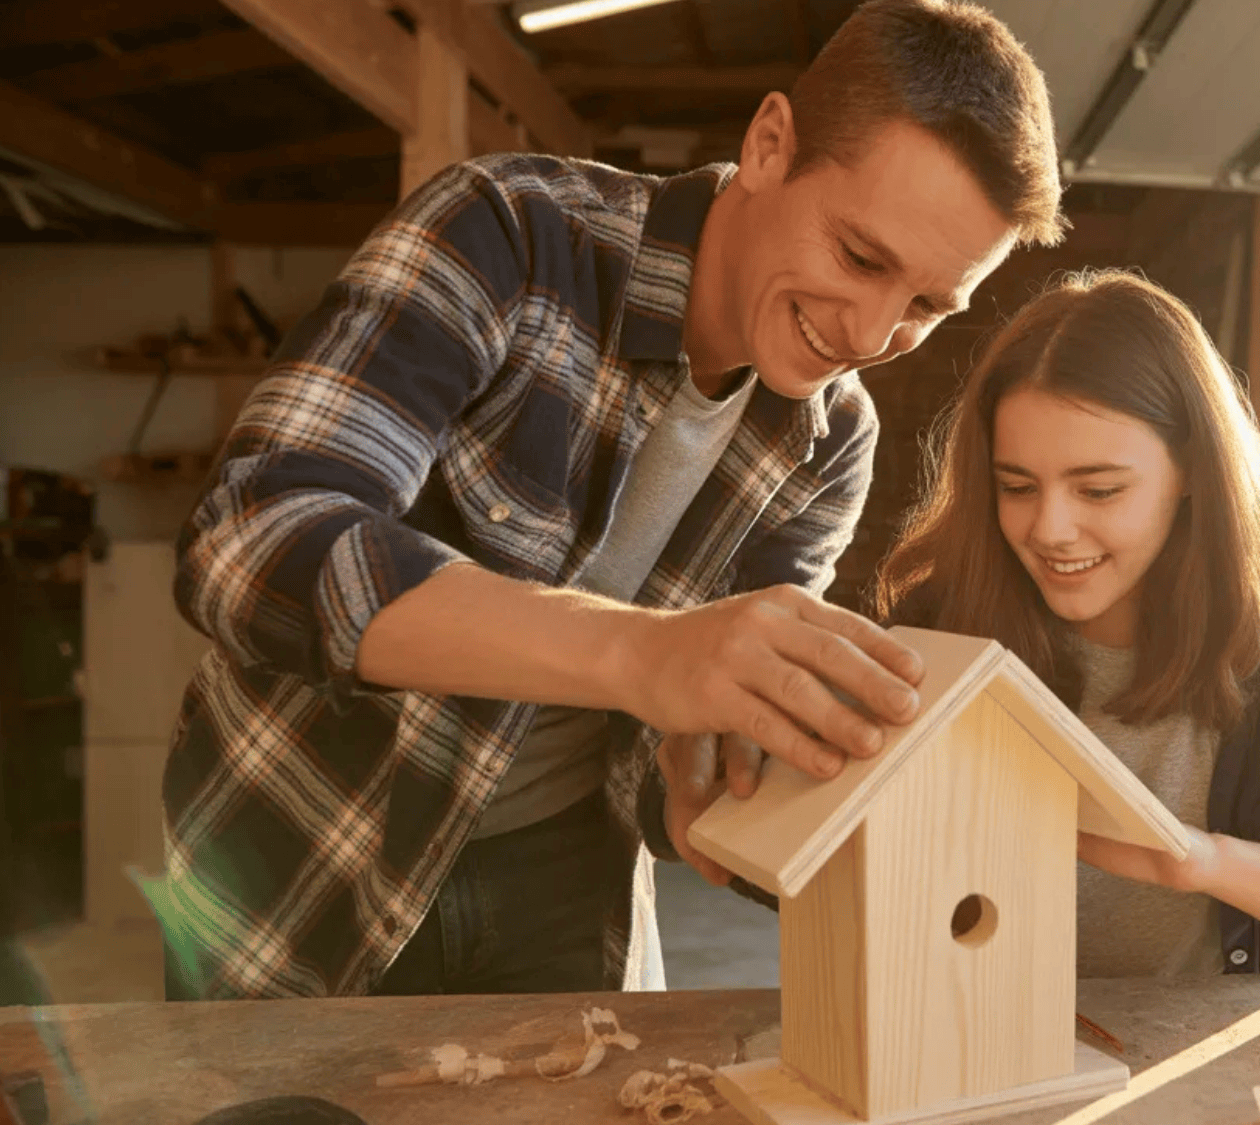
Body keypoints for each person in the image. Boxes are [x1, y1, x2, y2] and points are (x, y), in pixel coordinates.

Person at [162, 0, 1064, 1000]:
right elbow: (248, 542)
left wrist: (711, 788)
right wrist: (637, 653)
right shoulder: (507, 232)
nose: (868, 333)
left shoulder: (832, 442)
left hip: (563, 882)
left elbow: (681, 747)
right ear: (768, 146)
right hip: (301, 855)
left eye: (929, 307)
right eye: (860, 257)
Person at [869, 270, 1260, 992]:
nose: (1048, 528)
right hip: (983, 1048)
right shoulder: (939, 629)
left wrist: (1198, 860)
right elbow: (815, 871)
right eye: (1016, 486)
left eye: (1099, 489)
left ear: (1193, 473)